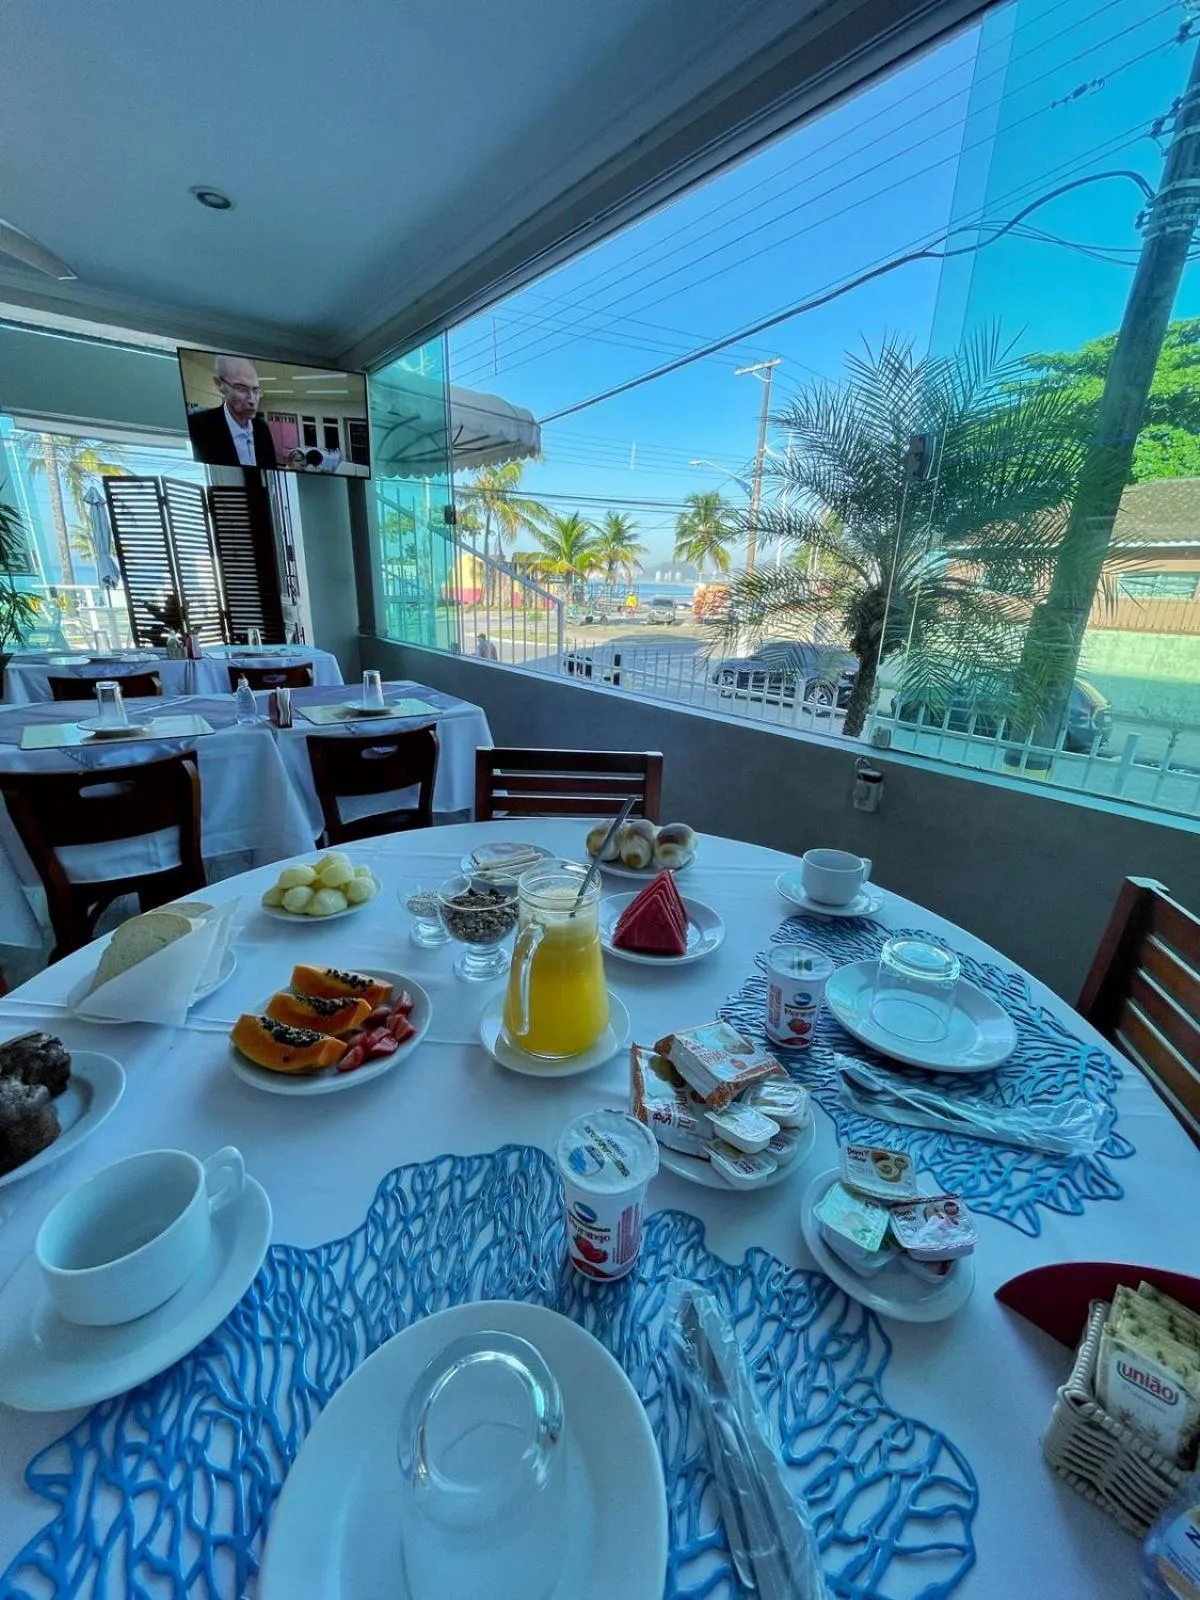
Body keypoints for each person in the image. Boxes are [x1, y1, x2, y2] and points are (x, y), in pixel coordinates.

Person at [186, 355, 278, 469]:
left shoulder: (262, 428)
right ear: (220, 384)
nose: (252, 400)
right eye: (241, 388)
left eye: (255, 390)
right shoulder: (197, 428)